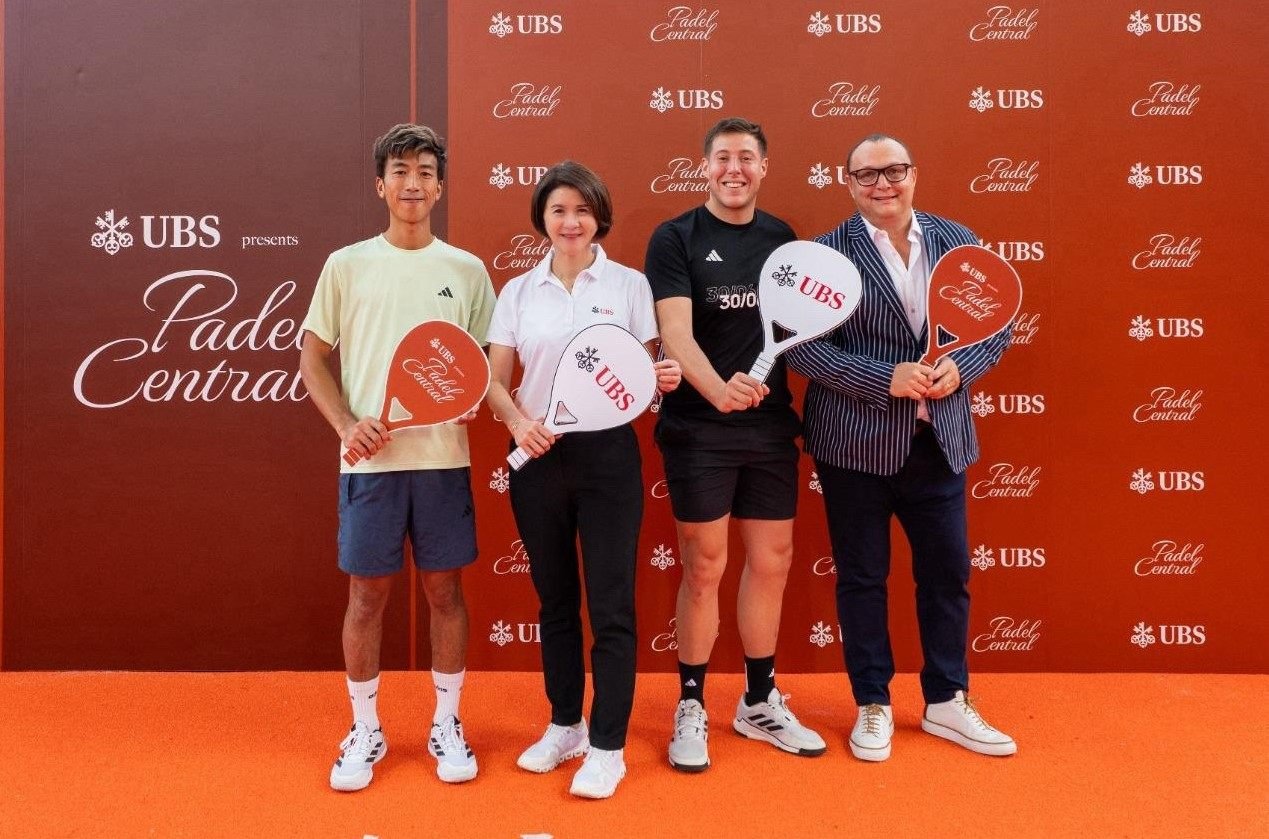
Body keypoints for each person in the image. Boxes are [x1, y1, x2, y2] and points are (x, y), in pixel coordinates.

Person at [785, 133, 1017, 762]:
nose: (882, 183)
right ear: (848, 182)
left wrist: (961, 369)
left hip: (938, 441)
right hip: (854, 447)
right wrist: (879, 377)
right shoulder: (825, 255)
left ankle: (947, 701)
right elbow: (800, 346)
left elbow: (996, 322)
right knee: (862, 578)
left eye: (893, 171)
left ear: (914, 175)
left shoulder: (957, 240)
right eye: (867, 175)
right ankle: (872, 705)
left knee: (948, 574)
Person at [299, 123, 496, 790]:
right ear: (380, 184)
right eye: (400, 171)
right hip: (369, 467)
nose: (412, 183)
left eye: (424, 171)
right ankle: (365, 727)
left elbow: (484, 366)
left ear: (439, 186)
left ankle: (446, 722)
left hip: (444, 461)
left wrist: (475, 397)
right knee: (366, 598)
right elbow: (311, 359)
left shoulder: (466, 269)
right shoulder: (345, 264)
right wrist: (346, 424)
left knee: (446, 592)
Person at [485, 161, 681, 799]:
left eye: (582, 211)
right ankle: (565, 724)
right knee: (555, 603)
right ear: (542, 218)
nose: (570, 222)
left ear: (600, 217)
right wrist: (517, 422)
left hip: (608, 461)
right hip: (538, 457)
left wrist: (663, 377)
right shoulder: (517, 291)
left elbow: (646, 367)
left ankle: (607, 745)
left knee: (612, 607)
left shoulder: (628, 285)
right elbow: (494, 377)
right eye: (558, 210)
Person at [644, 117, 827, 772]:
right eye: (722, 157)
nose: (733, 169)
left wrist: (745, 393)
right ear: (703, 167)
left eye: (746, 157)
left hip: (769, 424)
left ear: (763, 167)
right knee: (704, 564)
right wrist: (717, 389)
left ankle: (757, 698)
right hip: (699, 426)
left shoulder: (782, 239)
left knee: (772, 559)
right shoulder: (674, 238)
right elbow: (674, 331)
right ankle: (690, 700)